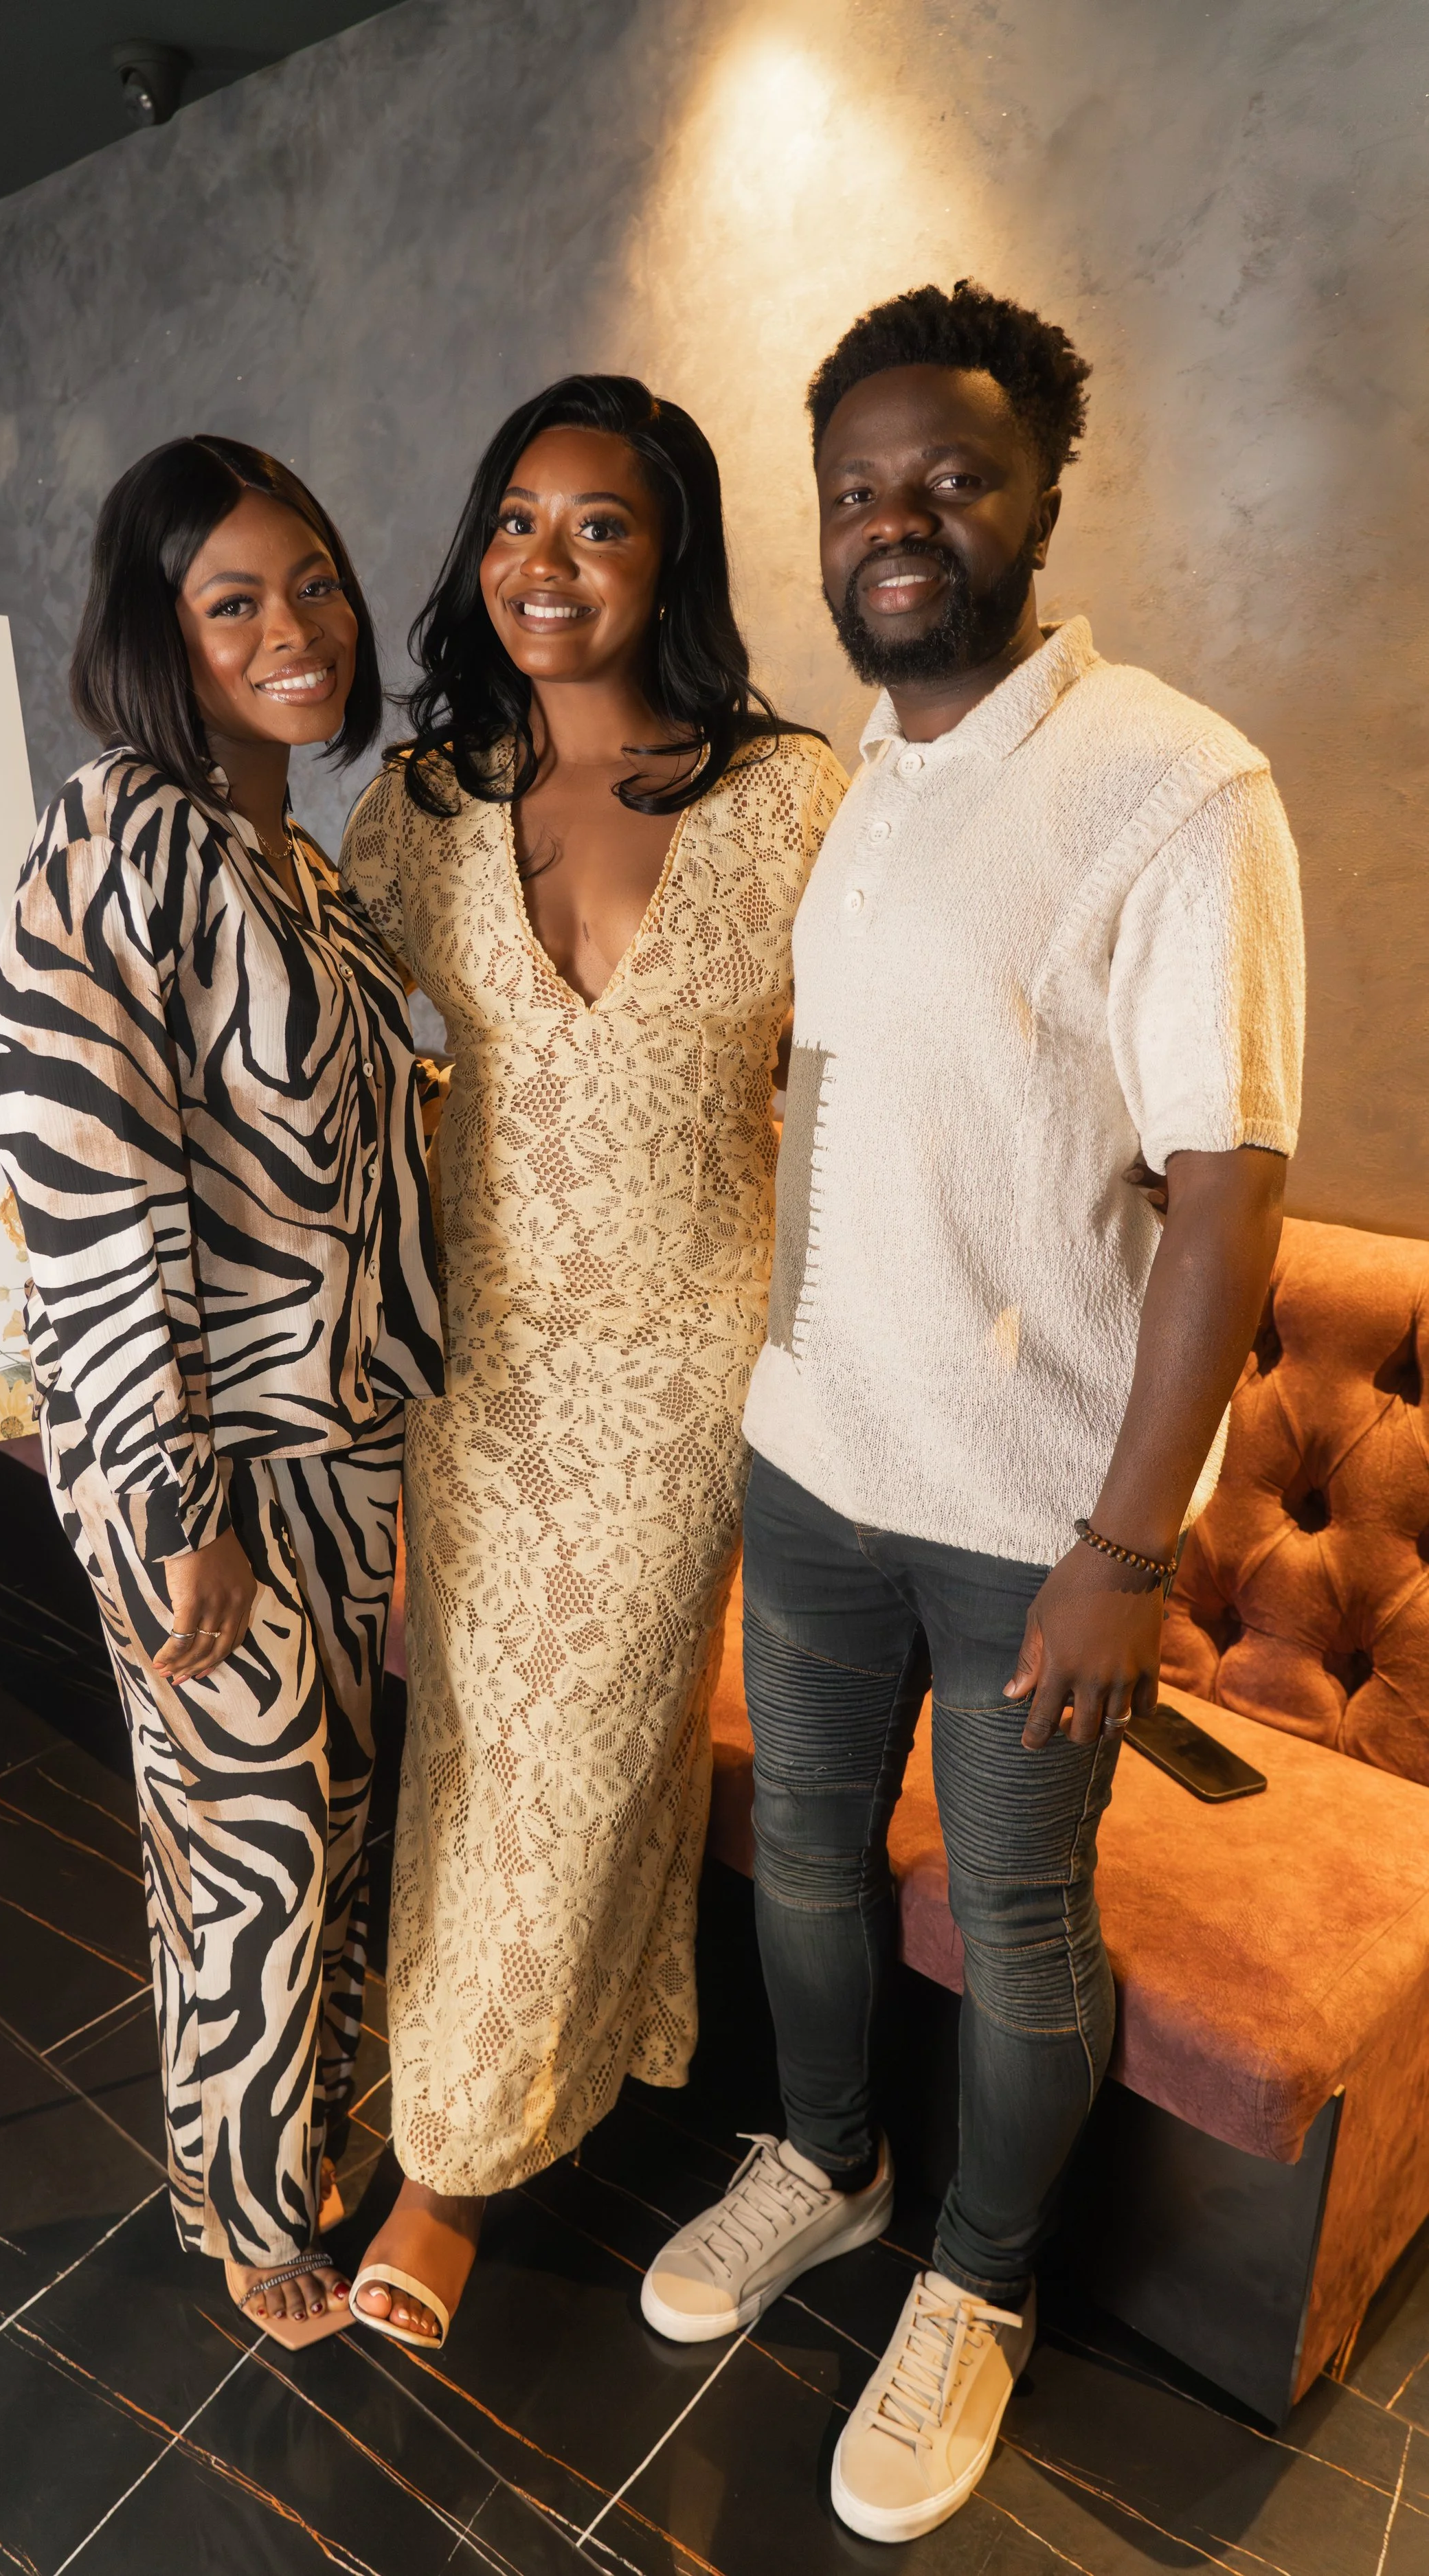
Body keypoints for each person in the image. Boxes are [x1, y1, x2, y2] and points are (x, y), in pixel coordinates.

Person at [640, 284, 1305, 2543]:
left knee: (1018, 1917)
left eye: (950, 479)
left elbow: (1227, 1192)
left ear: (1040, 498)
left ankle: (977, 2281)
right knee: (808, 1855)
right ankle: (825, 2161)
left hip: (1033, 1518)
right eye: (856, 489)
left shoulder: (1173, 781)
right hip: (815, 1456)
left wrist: (1130, 1549)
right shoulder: (863, 789)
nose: (895, 520)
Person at [337, 374, 846, 2348]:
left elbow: (877, 1082)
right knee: (478, 1750)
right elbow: (315, 1048)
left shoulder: (785, 797)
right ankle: (502, 2064)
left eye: (601, 525)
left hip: (682, 1379)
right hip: (473, 1371)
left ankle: (449, 2170)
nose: (547, 563)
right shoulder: (423, 806)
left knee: (579, 1752)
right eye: (515, 521)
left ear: (670, 558)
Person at [0, 436, 443, 2350]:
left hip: (336, 1445)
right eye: (232, 599)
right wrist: (172, 1510)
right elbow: (84, 1190)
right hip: (192, 1464)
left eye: (314, 582)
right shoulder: (119, 835)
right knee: (248, 1843)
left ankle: (304, 2129)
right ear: (153, 632)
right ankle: (241, 2205)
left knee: (329, 1813)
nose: (293, 627)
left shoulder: (298, 868)